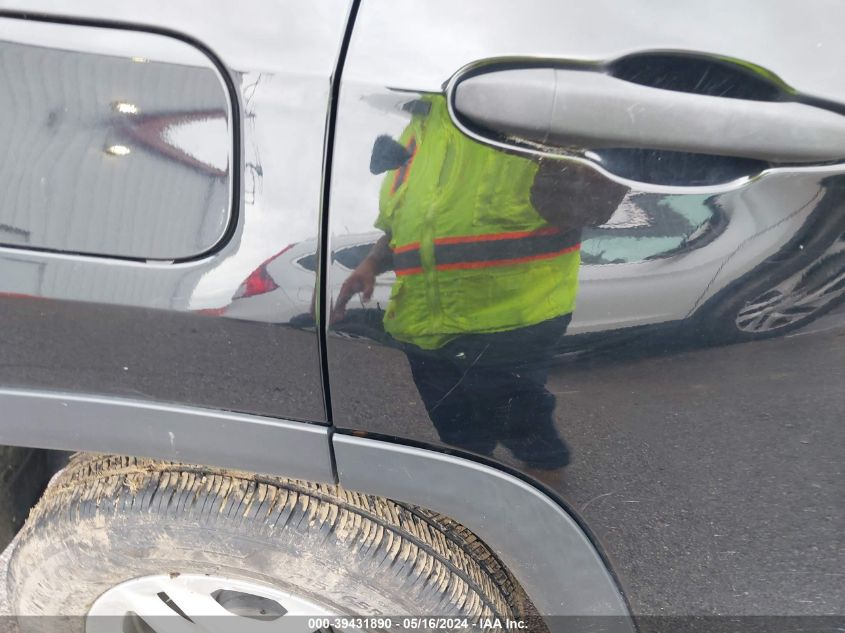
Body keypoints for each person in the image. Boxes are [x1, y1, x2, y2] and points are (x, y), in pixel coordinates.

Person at [334, 95, 627, 469]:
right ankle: (475, 486)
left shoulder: (518, 103)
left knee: (523, 429)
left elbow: (590, 206)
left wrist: (576, 150)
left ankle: (547, 488)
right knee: (457, 433)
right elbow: (401, 225)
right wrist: (372, 263)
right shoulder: (414, 133)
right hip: (423, 327)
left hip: (511, 319)